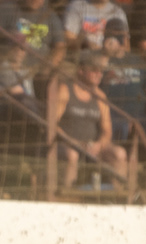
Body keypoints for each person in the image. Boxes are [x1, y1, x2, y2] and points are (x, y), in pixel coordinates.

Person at [48, 50, 129, 186]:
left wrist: (99, 145)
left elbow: (106, 130)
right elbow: (52, 124)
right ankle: (67, 194)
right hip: (66, 144)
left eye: (101, 72)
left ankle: (119, 196)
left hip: (92, 147)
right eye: (94, 70)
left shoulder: (100, 96)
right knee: (72, 154)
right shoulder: (65, 90)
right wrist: (74, 143)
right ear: (81, 71)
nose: (99, 75)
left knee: (119, 153)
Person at [101, 17, 146, 159]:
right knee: (125, 129)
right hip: (112, 112)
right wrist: (106, 53)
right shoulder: (99, 59)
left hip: (141, 112)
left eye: (122, 35)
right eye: (114, 35)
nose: (119, 39)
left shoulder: (136, 61)